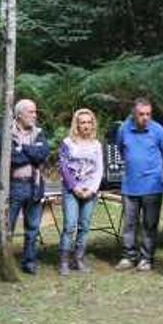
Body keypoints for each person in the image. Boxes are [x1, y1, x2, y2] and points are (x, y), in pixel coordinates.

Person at [115, 98, 163, 272]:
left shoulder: (158, 130)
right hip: (130, 185)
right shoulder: (123, 129)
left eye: (148, 114)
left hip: (153, 186)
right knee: (130, 224)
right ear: (134, 114)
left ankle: (146, 258)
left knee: (149, 224)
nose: (145, 117)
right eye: (141, 114)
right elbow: (120, 149)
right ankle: (128, 256)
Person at [3, 99, 50, 275]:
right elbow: (11, 159)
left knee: (32, 227)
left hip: (34, 185)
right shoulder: (7, 133)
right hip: (13, 186)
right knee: (8, 226)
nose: (34, 115)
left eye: (35, 112)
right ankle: (6, 260)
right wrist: (31, 153)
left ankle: (29, 262)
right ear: (20, 114)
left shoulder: (39, 132)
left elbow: (43, 154)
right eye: (31, 112)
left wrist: (22, 149)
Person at [57, 109, 103, 276]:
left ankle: (78, 259)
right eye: (82, 122)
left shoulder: (96, 145)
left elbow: (99, 169)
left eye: (89, 122)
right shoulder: (68, 143)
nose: (86, 125)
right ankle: (63, 261)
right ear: (76, 124)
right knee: (69, 225)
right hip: (71, 190)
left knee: (84, 226)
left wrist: (91, 189)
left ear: (93, 125)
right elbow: (63, 167)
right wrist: (74, 187)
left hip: (90, 191)